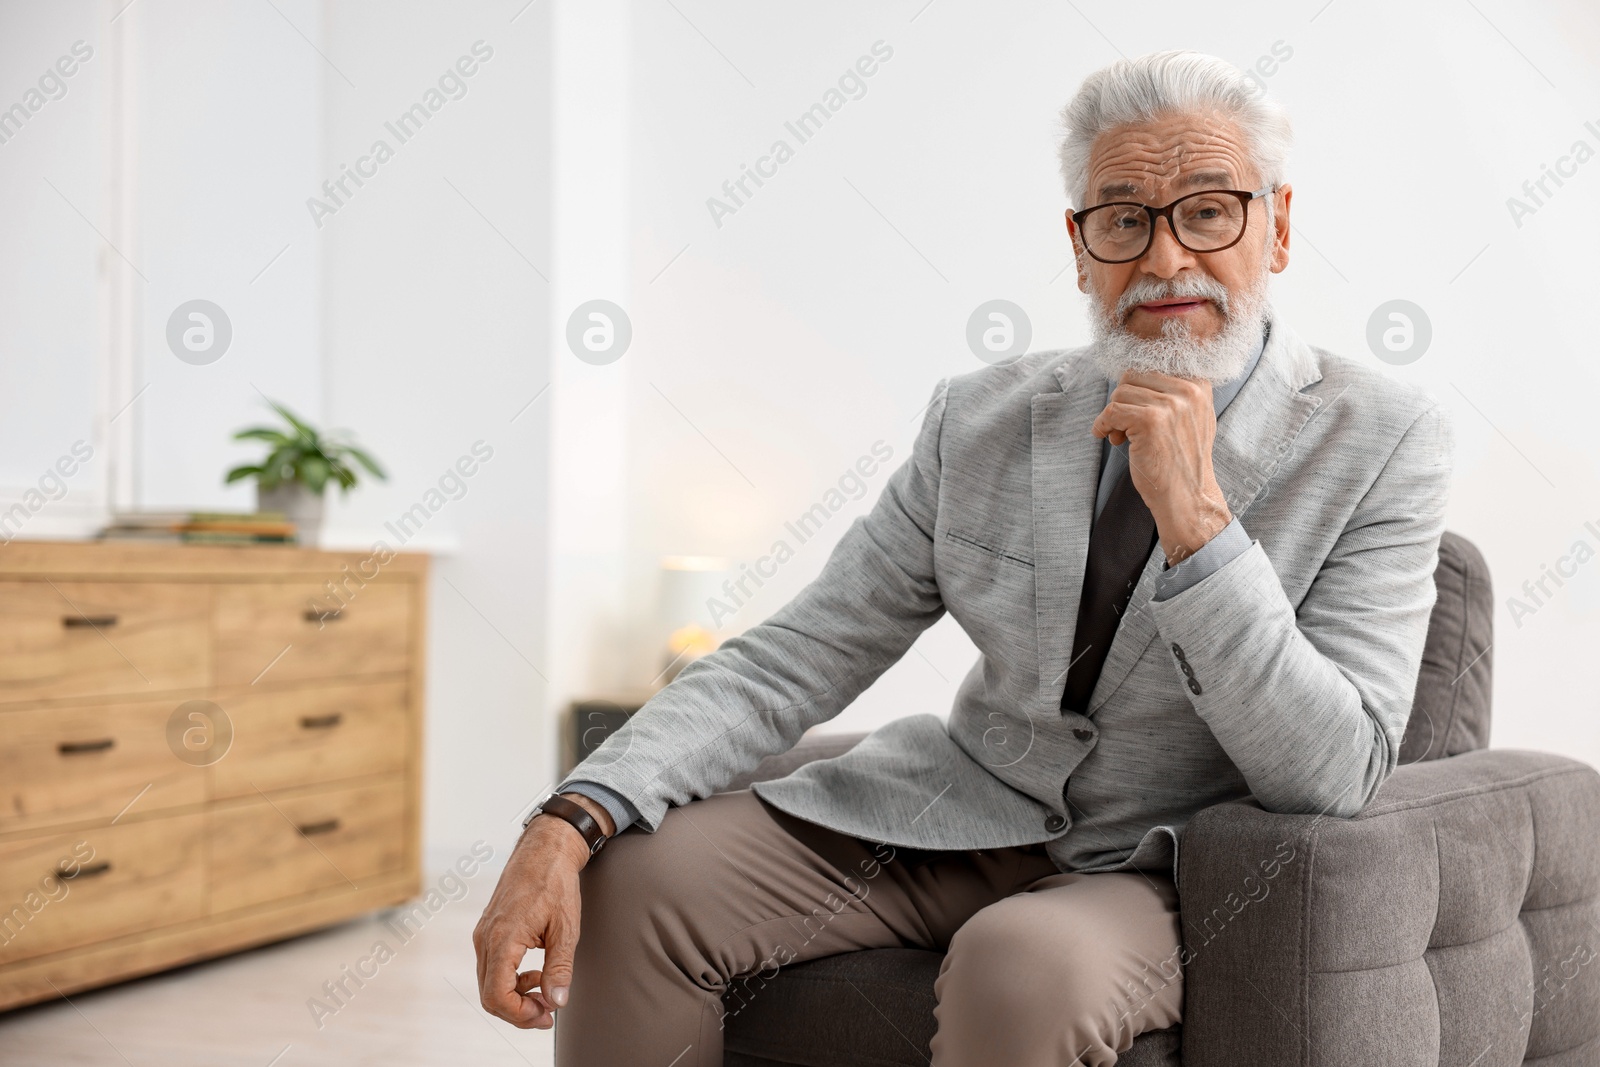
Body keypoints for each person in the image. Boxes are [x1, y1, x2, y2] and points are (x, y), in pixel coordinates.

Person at [474, 49, 1451, 1065]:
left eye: (1207, 211)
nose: (1165, 260)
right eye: (1123, 219)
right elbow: (800, 650)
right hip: (951, 816)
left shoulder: (1381, 436)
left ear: (1277, 227)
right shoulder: (980, 419)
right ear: (1079, 250)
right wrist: (572, 813)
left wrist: (1197, 522)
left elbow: (1334, 768)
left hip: (1160, 862)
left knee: (1018, 964)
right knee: (634, 878)